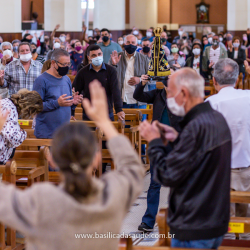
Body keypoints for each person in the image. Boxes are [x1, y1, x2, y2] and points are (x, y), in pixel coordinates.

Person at [0, 80, 144, 250]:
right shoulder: (110, 195)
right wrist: (104, 122)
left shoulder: (39, 199)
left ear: (52, 159)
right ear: (96, 159)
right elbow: (133, 168)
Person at [139, 68, 231, 249]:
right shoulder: (216, 118)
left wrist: (155, 142)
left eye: (171, 93)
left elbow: (166, 175)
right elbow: (200, 158)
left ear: (183, 93)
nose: (169, 97)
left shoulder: (194, 127)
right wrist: (177, 138)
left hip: (193, 224)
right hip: (214, 218)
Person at [207, 58, 250, 240]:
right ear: (238, 78)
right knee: (246, 222)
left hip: (221, 172)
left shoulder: (210, 103)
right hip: (248, 168)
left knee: (226, 226)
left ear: (214, 80)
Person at [134, 74, 181, 232]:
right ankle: (148, 220)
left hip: (177, 144)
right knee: (155, 183)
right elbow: (137, 95)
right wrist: (142, 83)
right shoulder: (157, 95)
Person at [33, 49, 83, 139]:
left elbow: (66, 103)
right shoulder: (41, 80)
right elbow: (35, 106)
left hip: (64, 133)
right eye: (64, 64)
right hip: (47, 134)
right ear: (53, 63)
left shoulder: (66, 79)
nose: (67, 67)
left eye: (69, 64)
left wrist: (73, 102)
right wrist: (56, 103)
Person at [73, 45, 124, 121]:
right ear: (89, 57)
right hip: (88, 113)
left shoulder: (111, 70)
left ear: (102, 54)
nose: (97, 57)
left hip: (107, 112)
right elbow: (75, 92)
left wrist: (119, 109)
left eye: (99, 54)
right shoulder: (82, 72)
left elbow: (115, 90)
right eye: (94, 55)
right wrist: (71, 112)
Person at [0, 89, 43, 164]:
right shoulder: (11, 109)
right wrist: (23, 133)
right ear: (29, 108)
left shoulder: (6, 101)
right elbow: (12, 137)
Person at [108, 34, 149, 109]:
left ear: (137, 44)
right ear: (124, 44)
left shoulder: (144, 59)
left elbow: (151, 78)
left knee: (141, 121)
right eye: (128, 42)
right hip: (121, 100)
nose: (130, 44)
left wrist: (140, 79)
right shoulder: (116, 57)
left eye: (133, 42)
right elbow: (108, 77)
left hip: (139, 101)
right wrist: (114, 65)